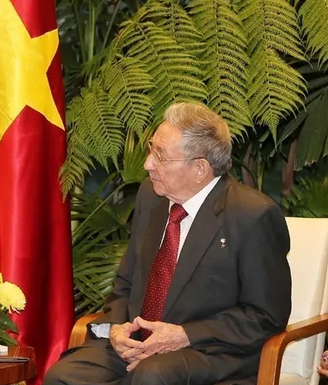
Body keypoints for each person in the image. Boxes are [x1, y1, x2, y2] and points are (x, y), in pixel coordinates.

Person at [44, 102, 291, 385]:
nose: (148, 163)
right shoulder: (151, 196)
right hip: (138, 344)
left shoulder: (252, 216)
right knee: (62, 377)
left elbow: (265, 316)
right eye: (152, 148)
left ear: (200, 169)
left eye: (160, 156)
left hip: (209, 352)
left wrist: (184, 335)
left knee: (151, 376)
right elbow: (125, 284)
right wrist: (116, 329)